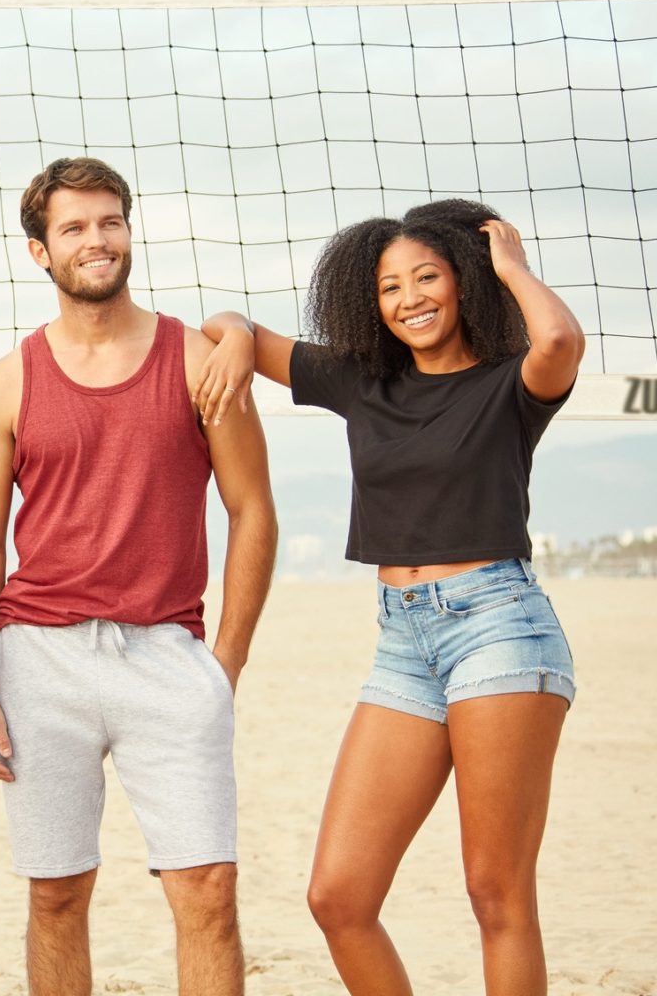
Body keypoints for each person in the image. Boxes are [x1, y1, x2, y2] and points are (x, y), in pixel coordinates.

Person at [195, 199, 582, 996]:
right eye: (389, 287)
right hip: (403, 641)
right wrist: (234, 335)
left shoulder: (513, 387)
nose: (410, 299)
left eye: (428, 277)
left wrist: (511, 267)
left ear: (465, 282)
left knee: (495, 892)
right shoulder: (361, 381)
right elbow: (227, 322)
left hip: (499, 628)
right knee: (338, 896)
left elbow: (560, 340)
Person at [0, 156, 278, 996]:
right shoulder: (4, 384)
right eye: (73, 228)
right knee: (57, 895)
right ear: (39, 252)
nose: (95, 240)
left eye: (109, 222)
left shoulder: (203, 360)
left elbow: (253, 511)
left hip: (169, 657)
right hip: (39, 662)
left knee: (207, 892)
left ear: (129, 231)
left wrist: (225, 664)